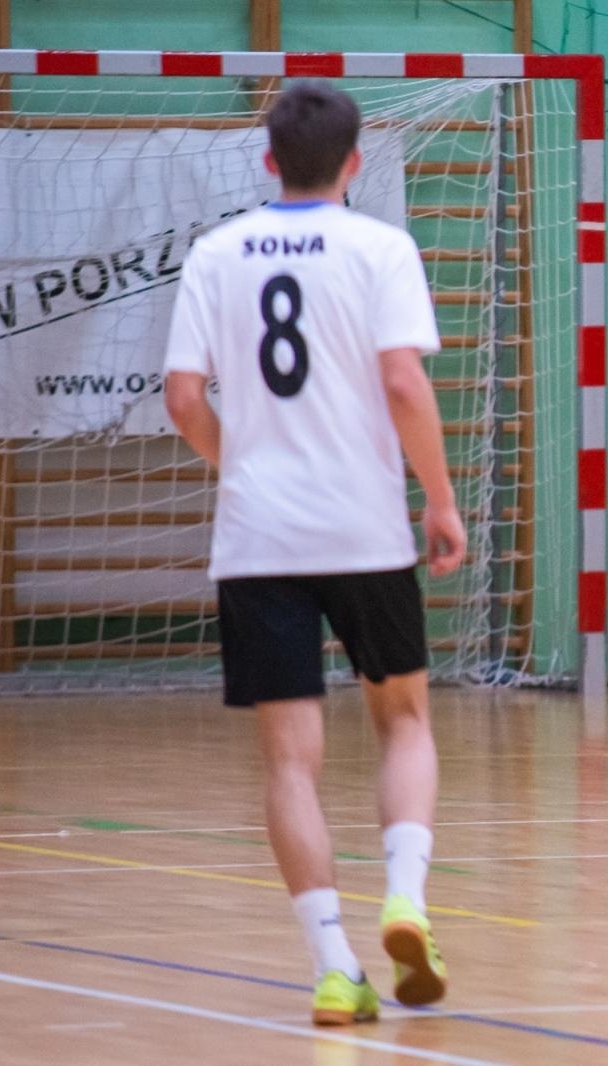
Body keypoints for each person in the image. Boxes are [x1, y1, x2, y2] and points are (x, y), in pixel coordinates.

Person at [162, 80, 464, 1025]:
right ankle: (407, 897)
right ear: (355, 161)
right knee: (404, 720)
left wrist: (241, 464)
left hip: (259, 537)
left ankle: (335, 967)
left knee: (290, 763)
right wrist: (442, 501)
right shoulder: (380, 247)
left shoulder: (217, 253)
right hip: (363, 528)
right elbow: (405, 383)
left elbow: (181, 397)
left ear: (267, 161)